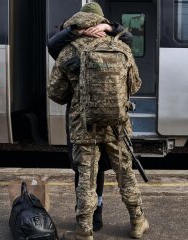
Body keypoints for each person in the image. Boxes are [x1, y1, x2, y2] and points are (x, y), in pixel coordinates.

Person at [48, 3, 149, 240]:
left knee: (87, 178)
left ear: (78, 21)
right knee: (125, 173)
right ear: (100, 21)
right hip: (117, 126)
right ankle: (137, 222)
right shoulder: (121, 47)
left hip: (84, 126)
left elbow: (55, 93)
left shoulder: (68, 50)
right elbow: (135, 85)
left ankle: (85, 229)